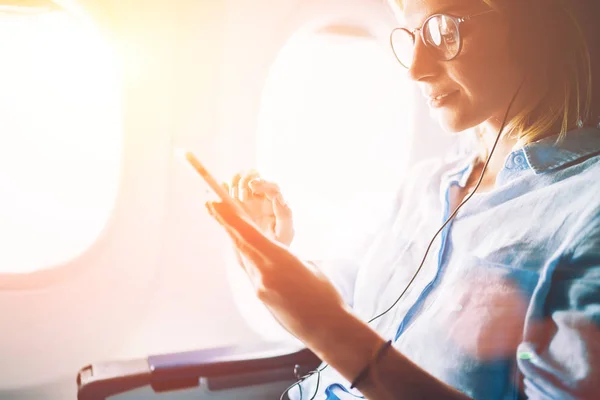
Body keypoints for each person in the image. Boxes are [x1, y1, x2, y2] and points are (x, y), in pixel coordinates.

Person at [205, 0, 600, 398]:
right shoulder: (426, 186)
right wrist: (272, 256)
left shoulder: (587, 208)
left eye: (442, 31)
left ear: (534, 27)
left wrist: (325, 327)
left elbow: (331, 323)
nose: (415, 69)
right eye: (411, 35)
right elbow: (352, 294)